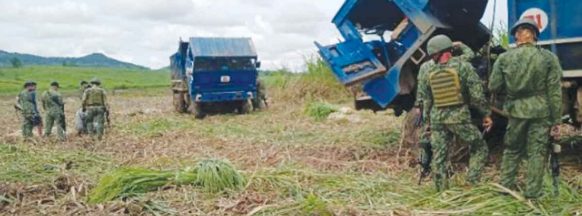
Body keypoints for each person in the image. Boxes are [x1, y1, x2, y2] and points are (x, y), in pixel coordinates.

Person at [489, 18, 562, 199]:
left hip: (515, 111)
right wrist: (556, 120)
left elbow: (493, 86)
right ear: (535, 36)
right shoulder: (548, 58)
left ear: (516, 36)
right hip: (541, 111)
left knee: (512, 150)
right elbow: (555, 92)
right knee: (536, 152)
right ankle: (532, 195)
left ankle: (505, 190)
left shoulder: (504, 59)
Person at [417, 35, 492, 191]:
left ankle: (441, 191)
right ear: (449, 49)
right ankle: (471, 183)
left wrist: (427, 123)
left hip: (437, 119)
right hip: (459, 117)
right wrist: (486, 115)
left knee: (439, 156)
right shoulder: (463, 66)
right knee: (479, 147)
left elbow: (426, 100)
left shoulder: (426, 70)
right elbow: (477, 96)